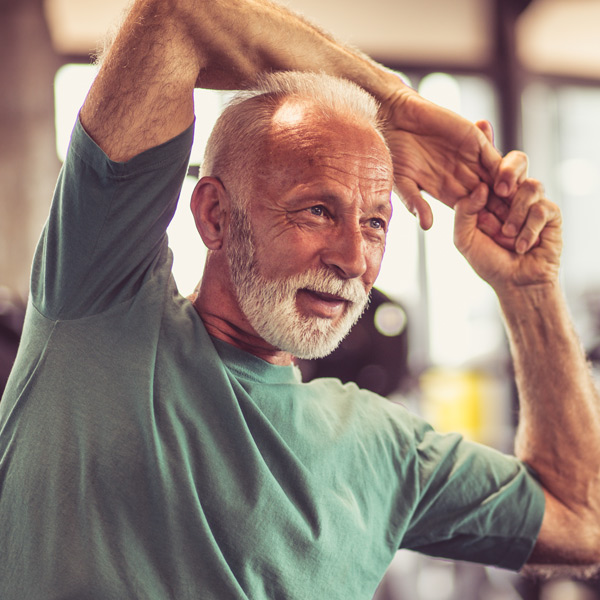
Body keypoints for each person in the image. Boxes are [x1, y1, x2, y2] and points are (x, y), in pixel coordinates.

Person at [0, 0, 598, 598]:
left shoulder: (384, 452)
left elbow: (580, 516)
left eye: (374, 223)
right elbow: (175, 20)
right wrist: (391, 103)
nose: (353, 259)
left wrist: (529, 289)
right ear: (214, 215)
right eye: (317, 210)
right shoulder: (101, 315)